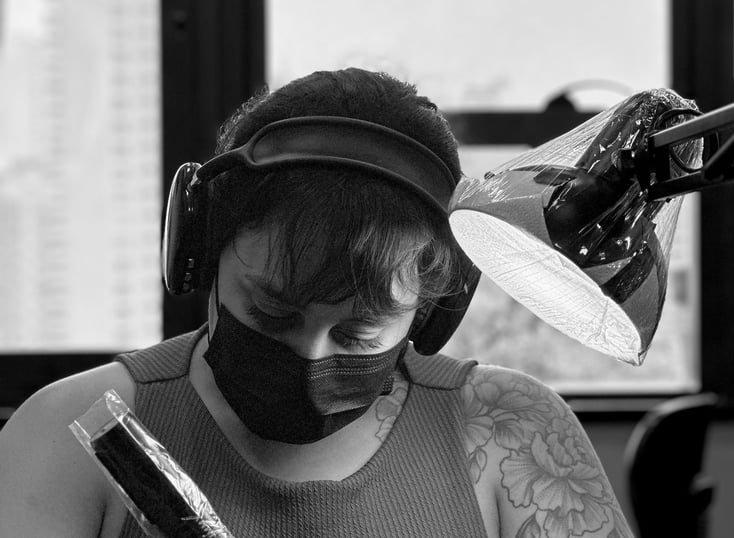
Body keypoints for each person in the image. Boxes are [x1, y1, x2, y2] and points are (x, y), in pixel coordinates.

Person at [0, 67, 633, 537]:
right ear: (203, 250)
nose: (308, 356)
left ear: (432, 309)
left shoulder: (515, 434)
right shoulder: (66, 434)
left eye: (358, 334)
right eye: (273, 312)